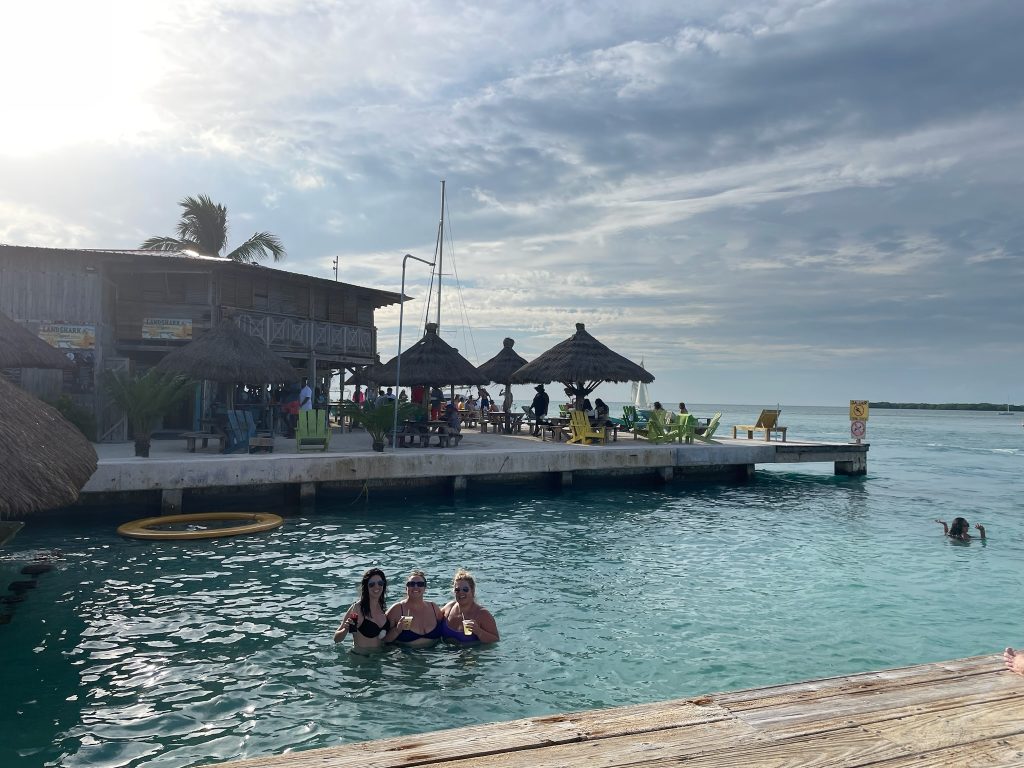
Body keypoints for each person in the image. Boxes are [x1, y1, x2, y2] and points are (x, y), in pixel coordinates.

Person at [333, 568, 391, 652]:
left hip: (379, 660)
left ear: (384, 585)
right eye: (371, 584)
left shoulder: (382, 607)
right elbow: (336, 639)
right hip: (361, 660)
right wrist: (345, 629)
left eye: (380, 583)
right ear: (366, 587)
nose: (376, 586)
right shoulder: (357, 608)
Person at [385, 569, 444, 647]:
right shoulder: (397, 610)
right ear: (406, 588)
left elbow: (445, 631)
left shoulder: (433, 608)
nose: (415, 587)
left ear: (425, 588)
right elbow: (382, 641)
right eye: (411, 584)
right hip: (407, 656)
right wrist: (397, 630)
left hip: (434, 656)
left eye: (420, 584)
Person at [441, 569, 499, 644]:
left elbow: (496, 640)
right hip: (447, 654)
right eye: (457, 590)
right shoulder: (448, 608)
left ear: (472, 591)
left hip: (471, 654)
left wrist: (478, 631)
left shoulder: (483, 614)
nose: (461, 592)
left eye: (465, 589)